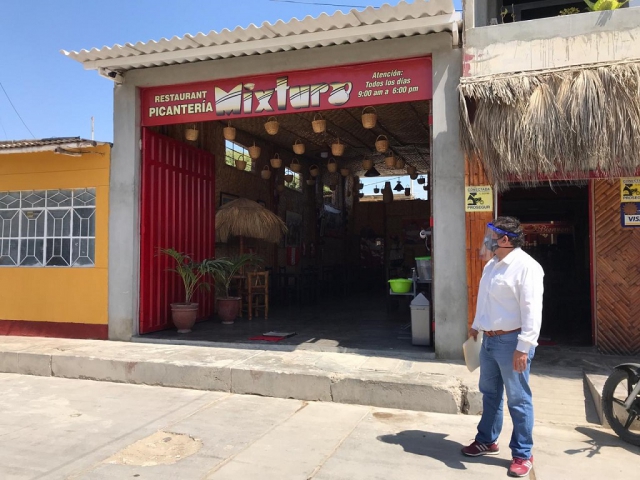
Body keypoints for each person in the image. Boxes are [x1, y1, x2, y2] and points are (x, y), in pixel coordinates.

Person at [461, 216, 544, 478]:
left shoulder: (526, 267)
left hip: (512, 342)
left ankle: (523, 453)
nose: (487, 240)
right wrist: (476, 326)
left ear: (505, 239)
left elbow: (532, 311)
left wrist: (524, 347)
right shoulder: (492, 265)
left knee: (518, 400)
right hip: (489, 340)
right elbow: (484, 300)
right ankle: (487, 440)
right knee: (490, 394)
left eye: (491, 236)